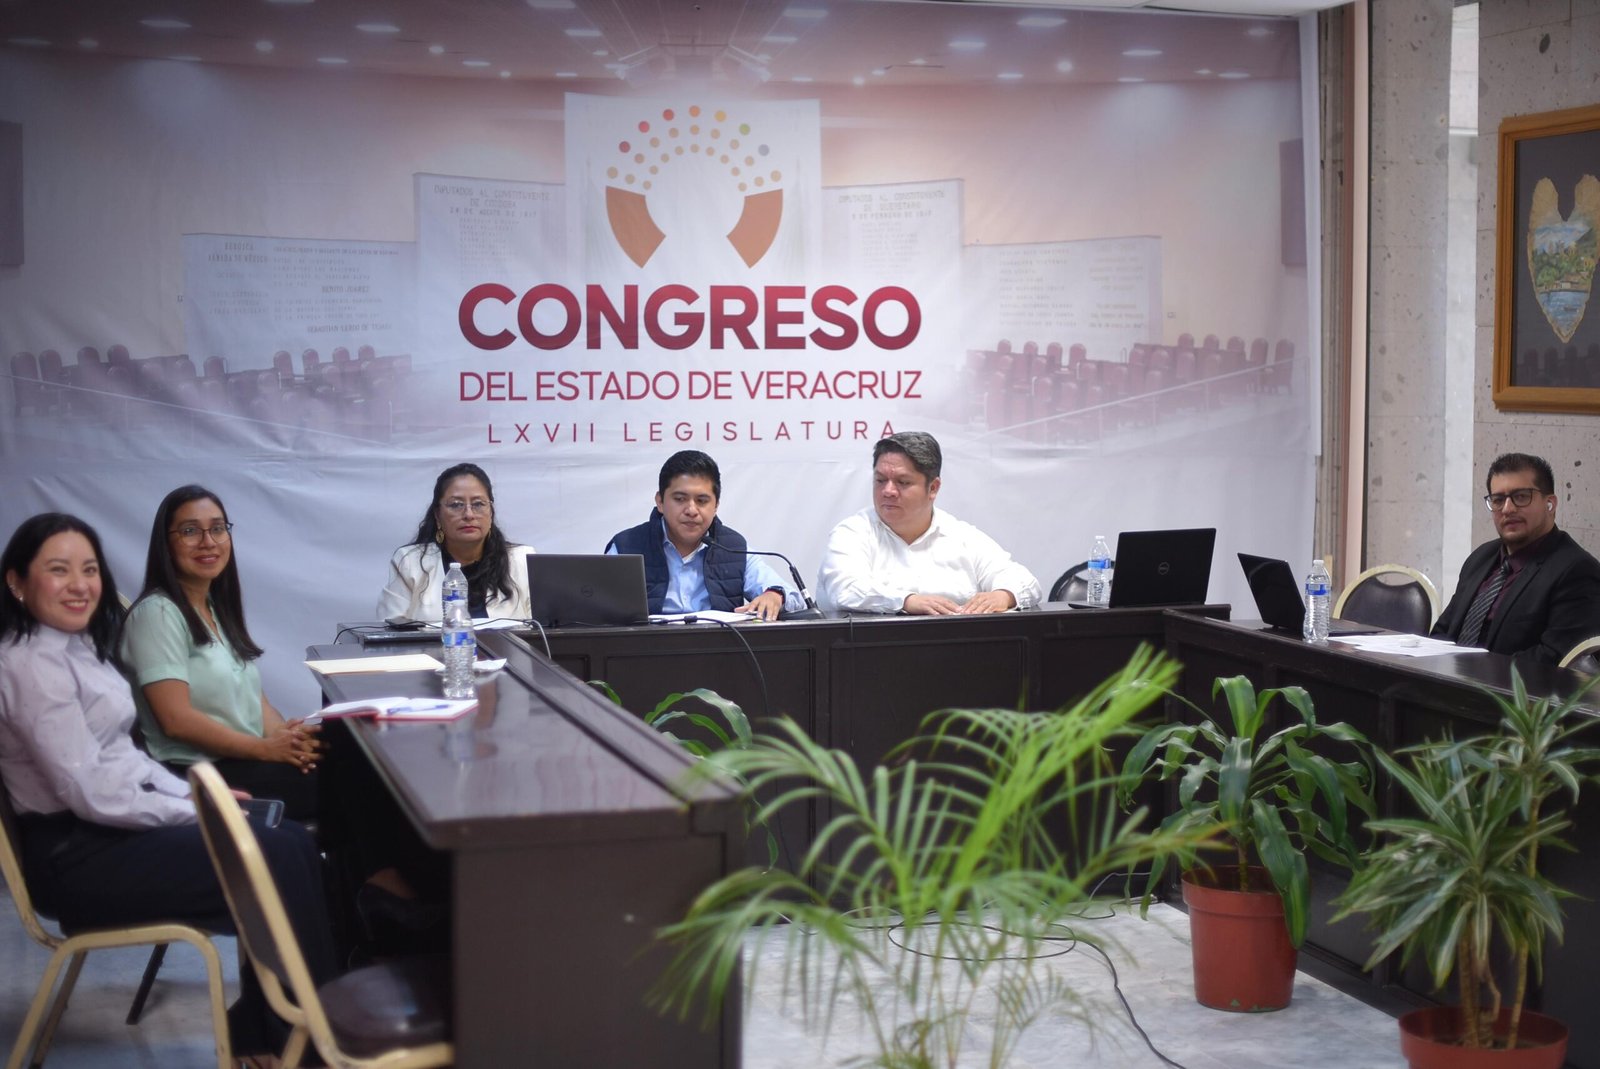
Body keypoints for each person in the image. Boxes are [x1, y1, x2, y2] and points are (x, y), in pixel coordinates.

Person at [0, 512, 335, 1062]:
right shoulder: (28, 666)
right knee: (274, 853)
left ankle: (277, 1032)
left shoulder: (74, 647)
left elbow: (124, 759)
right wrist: (199, 812)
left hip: (103, 834)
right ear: (17, 582)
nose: (79, 584)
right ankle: (313, 1041)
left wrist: (200, 797)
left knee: (291, 841)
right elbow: (92, 792)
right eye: (59, 570)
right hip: (75, 858)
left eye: (89, 569)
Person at [120, 485, 322, 820]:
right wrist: (265, 749)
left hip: (242, 759)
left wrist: (289, 740)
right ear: (165, 545)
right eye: (190, 531)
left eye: (217, 528)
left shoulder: (214, 608)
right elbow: (175, 721)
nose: (208, 541)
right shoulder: (158, 613)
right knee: (340, 786)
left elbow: (257, 702)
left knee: (345, 764)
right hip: (196, 774)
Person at [816, 431, 1042, 615]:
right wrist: (907, 601)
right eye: (880, 480)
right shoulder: (852, 533)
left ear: (933, 488)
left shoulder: (961, 536)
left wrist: (1003, 595)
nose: (888, 491)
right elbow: (845, 589)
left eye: (903, 482)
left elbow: (1026, 582)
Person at [1431, 452, 1600, 664]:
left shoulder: (1576, 570)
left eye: (1521, 497)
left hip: (1508, 685)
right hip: (1448, 679)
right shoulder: (1480, 557)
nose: (1507, 509)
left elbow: (1553, 658)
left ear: (1550, 504)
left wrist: (1471, 671)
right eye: (1498, 500)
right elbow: (1443, 631)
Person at [605, 450, 805, 621]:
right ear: (660, 502)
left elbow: (793, 597)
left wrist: (774, 595)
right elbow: (598, 609)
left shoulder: (732, 547)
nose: (691, 510)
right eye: (680, 499)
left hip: (717, 650)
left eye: (702, 501)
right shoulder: (626, 547)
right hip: (645, 650)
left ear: (716, 505)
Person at [377, 462, 535, 622]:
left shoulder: (522, 560)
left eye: (478, 504)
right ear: (437, 515)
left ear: (491, 512)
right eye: (456, 505)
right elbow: (389, 625)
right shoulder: (411, 562)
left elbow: (543, 628)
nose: (469, 514)